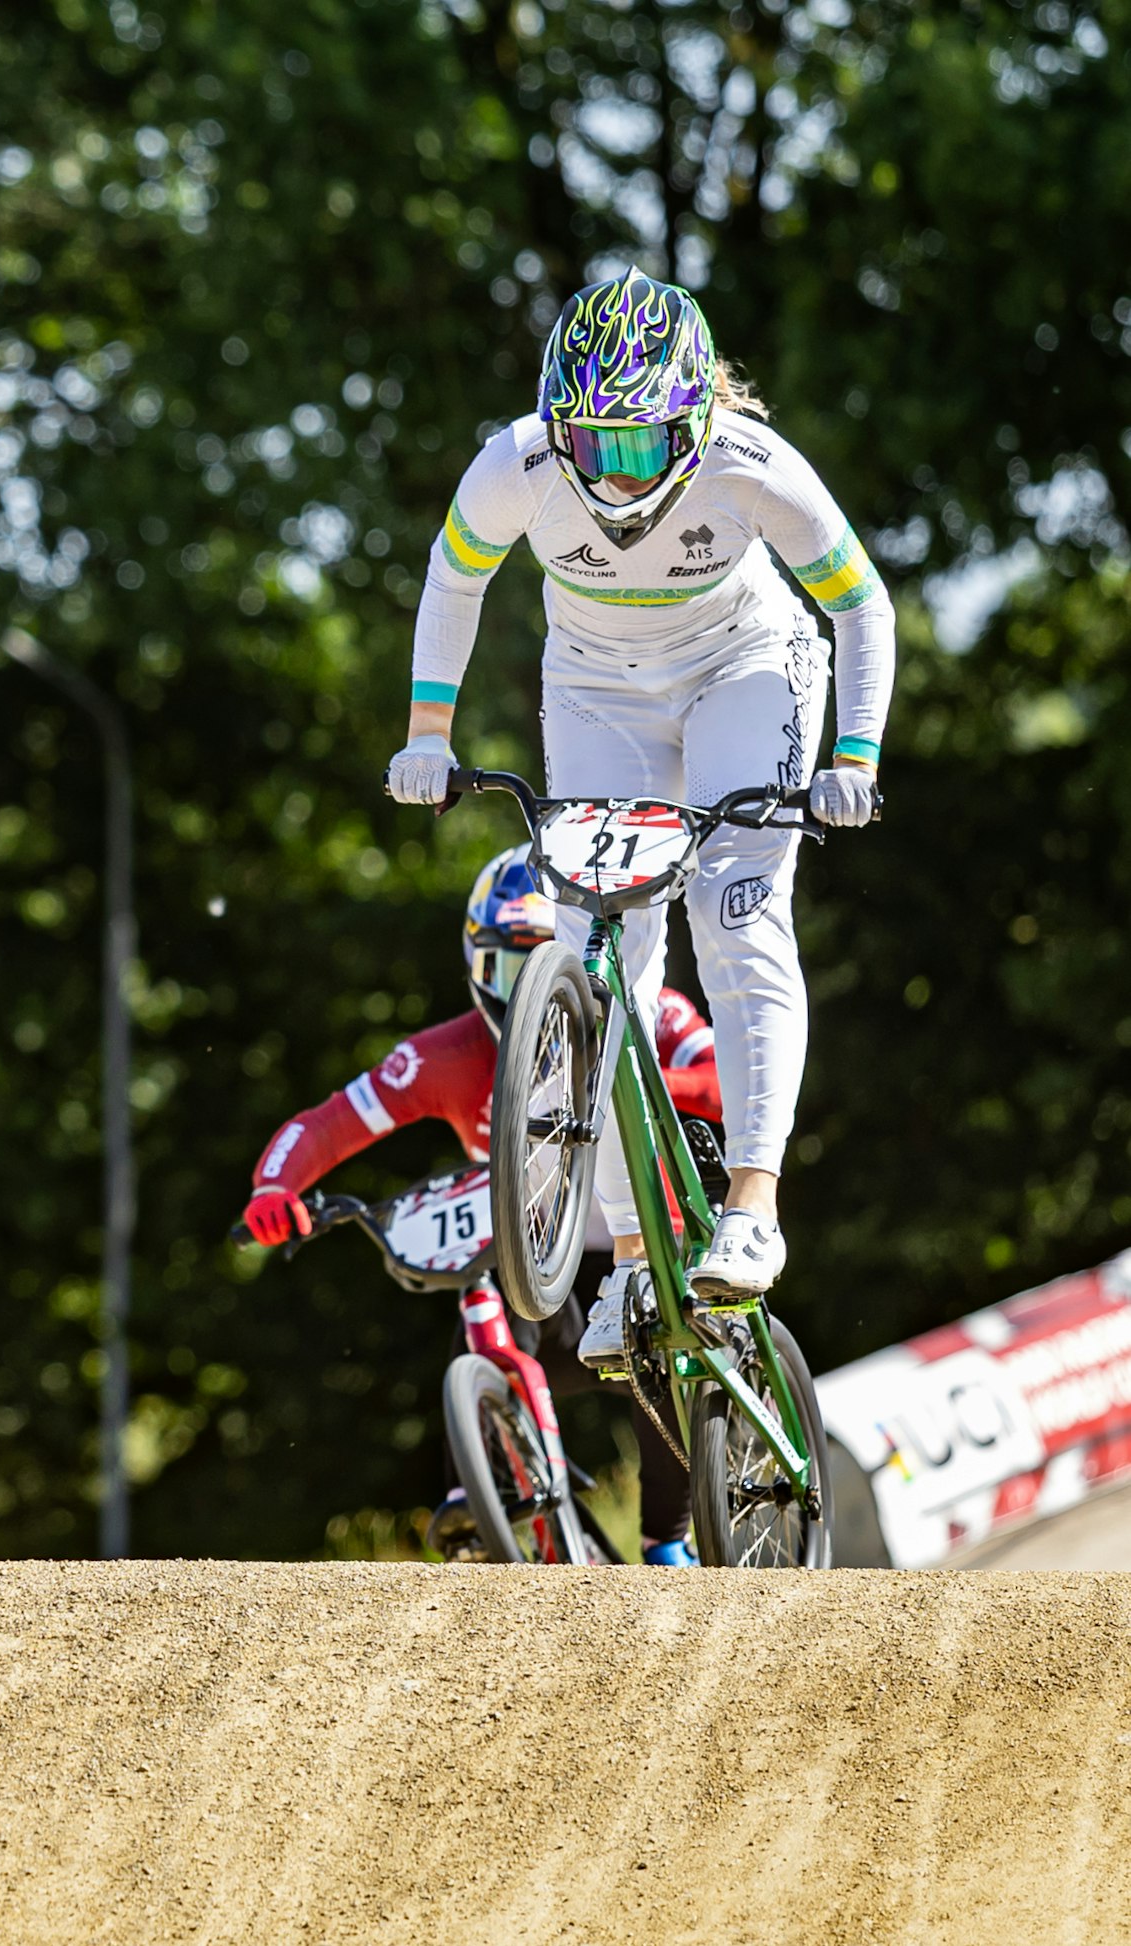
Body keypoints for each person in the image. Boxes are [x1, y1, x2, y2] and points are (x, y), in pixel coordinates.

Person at [382, 268, 893, 1374]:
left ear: (694, 422)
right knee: (595, 950)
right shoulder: (515, 464)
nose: (613, 473)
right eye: (592, 444)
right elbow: (452, 581)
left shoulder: (752, 465)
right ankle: (623, 1254)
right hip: (596, 687)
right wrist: (426, 735)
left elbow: (859, 602)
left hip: (745, 669)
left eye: (639, 444)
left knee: (734, 914)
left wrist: (853, 756)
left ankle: (751, 1204)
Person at [242, 846, 721, 1564]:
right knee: (477, 1319)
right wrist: (275, 1187)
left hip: (644, 1258)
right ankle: (477, 1502)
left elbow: (724, 1085)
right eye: (507, 970)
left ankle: (666, 1542)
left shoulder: (656, 1015)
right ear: (473, 967)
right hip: (540, 1279)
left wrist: (633, 1078)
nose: (526, 991)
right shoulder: (448, 1055)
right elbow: (330, 1122)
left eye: (544, 960)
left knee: (660, 1345)